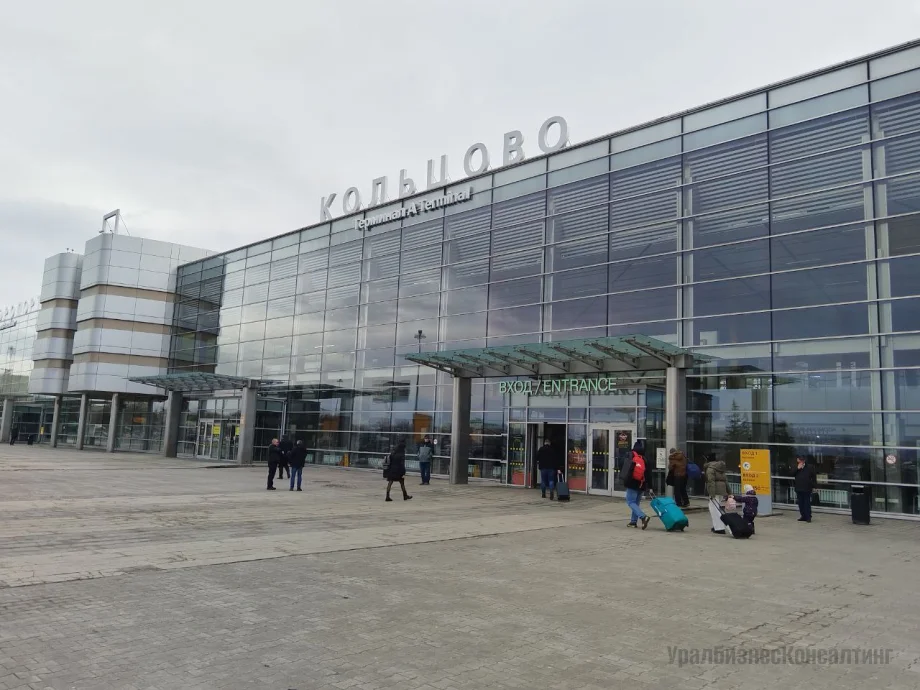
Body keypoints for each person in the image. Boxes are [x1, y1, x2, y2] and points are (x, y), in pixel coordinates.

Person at [622, 441, 650, 529]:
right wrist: (649, 486)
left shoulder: (631, 455)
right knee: (636, 504)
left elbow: (624, 466)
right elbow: (649, 474)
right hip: (642, 484)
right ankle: (633, 522)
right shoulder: (645, 458)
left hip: (632, 483)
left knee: (630, 502)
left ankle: (643, 516)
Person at [704, 454, 728, 534]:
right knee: (718, 508)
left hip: (715, 491)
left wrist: (712, 494)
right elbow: (726, 481)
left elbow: (711, 482)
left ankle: (719, 527)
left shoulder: (710, 469)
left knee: (714, 509)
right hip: (722, 490)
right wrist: (729, 492)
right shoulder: (720, 467)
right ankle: (717, 526)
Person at [794, 456, 817, 522]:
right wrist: (797, 469)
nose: (801, 461)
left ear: (804, 460)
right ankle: (803, 516)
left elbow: (814, 477)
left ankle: (808, 517)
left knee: (807, 503)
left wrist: (814, 486)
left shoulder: (810, 467)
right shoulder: (796, 466)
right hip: (798, 488)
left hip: (807, 488)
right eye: (800, 460)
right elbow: (791, 474)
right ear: (798, 460)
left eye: (802, 460)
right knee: (800, 503)